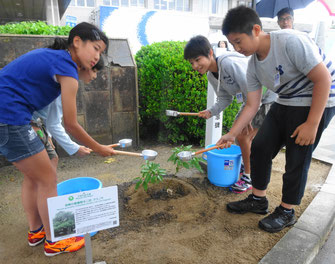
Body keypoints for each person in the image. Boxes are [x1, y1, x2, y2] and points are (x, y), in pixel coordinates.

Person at [0, 22, 115, 256]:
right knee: (47, 179)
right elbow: (71, 124)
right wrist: (99, 148)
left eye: (100, 52)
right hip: (9, 116)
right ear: (77, 42)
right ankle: (55, 240)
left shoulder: (57, 59)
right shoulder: (66, 65)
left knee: (38, 175)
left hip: (17, 117)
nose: (97, 56)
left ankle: (37, 231)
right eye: (95, 48)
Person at [219, 6, 335, 233]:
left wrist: (312, 124)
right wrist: (232, 134)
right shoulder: (253, 65)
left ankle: (287, 211)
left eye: (239, 41)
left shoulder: (290, 41)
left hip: (320, 98)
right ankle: (258, 200)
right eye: (232, 44)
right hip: (287, 99)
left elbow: (323, 79)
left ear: (256, 30)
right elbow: (252, 104)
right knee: (260, 146)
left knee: (297, 155)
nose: (236, 48)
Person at [184, 35, 277, 193]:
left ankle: (248, 177)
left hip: (266, 97)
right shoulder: (211, 75)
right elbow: (225, 98)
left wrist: (249, 117)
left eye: (197, 60)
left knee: (242, 135)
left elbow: (252, 91)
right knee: (239, 135)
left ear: (210, 53)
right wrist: (210, 111)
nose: (195, 66)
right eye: (191, 63)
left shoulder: (228, 63)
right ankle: (245, 167)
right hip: (251, 101)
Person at [30, 56, 105, 169]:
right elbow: (58, 124)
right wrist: (76, 148)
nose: (95, 76)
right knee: (44, 164)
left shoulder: (59, 76)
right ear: (83, 66)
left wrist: (48, 135)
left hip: (33, 122)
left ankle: (47, 185)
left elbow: (49, 116)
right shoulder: (65, 82)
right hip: (23, 121)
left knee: (52, 159)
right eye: (94, 71)